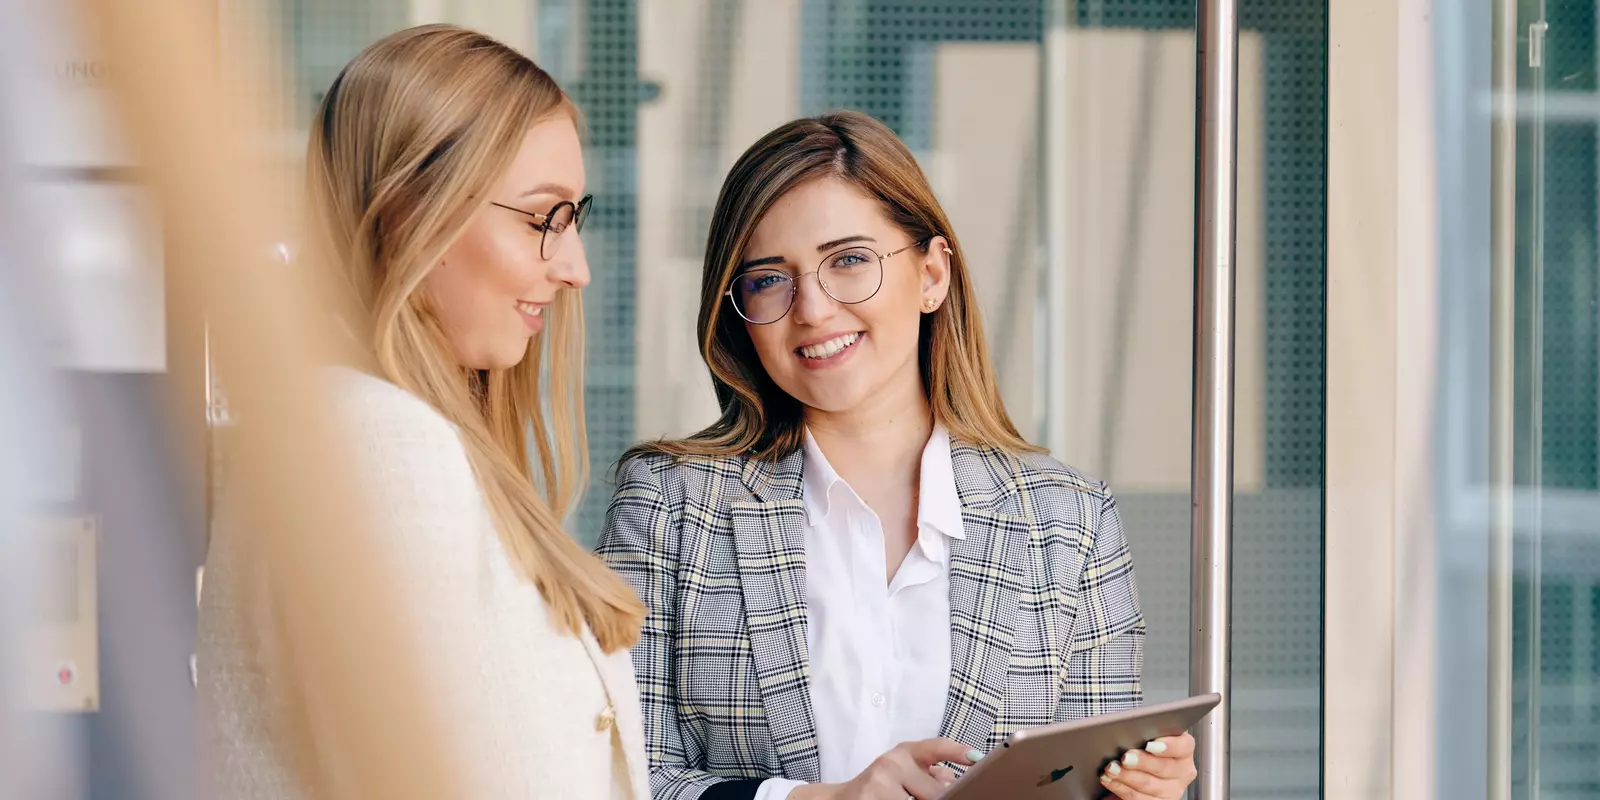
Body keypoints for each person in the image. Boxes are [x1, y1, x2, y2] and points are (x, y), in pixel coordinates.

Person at [599, 111, 1196, 800]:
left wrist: (1138, 790)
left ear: (932, 274)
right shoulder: (670, 505)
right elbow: (620, 778)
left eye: (848, 260)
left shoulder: (1070, 521)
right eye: (769, 279)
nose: (814, 309)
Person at [198, 25, 649, 799]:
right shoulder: (380, 441)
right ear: (412, 212)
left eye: (576, 219)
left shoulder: (360, 427)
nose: (573, 268)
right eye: (545, 218)